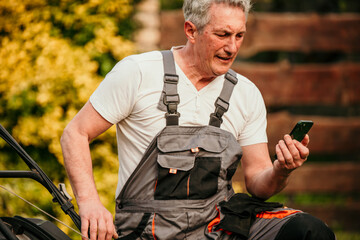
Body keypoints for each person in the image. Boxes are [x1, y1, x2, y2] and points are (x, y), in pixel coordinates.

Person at [60, 0, 336, 239]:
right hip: (147, 229)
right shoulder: (138, 73)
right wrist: (89, 203)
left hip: (219, 226)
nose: (232, 47)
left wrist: (281, 169)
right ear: (191, 30)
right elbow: (76, 133)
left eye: (240, 35)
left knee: (309, 231)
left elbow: (257, 184)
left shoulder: (246, 93)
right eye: (223, 34)